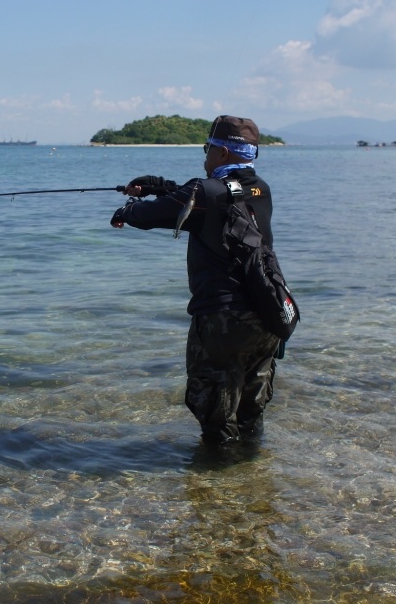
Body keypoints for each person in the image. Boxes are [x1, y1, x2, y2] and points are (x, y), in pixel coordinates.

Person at [109, 115, 281, 448]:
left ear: (223, 153)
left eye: (207, 149)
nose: (204, 157)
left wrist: (126, 210)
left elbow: (150, 215)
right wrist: (161, 186)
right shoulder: (259, 188)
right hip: (267, 313)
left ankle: (216, 483)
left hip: (223, 321)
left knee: (214, 409)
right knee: (250, 409)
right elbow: (212, 197)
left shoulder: (206, 193)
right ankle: (253, 478)